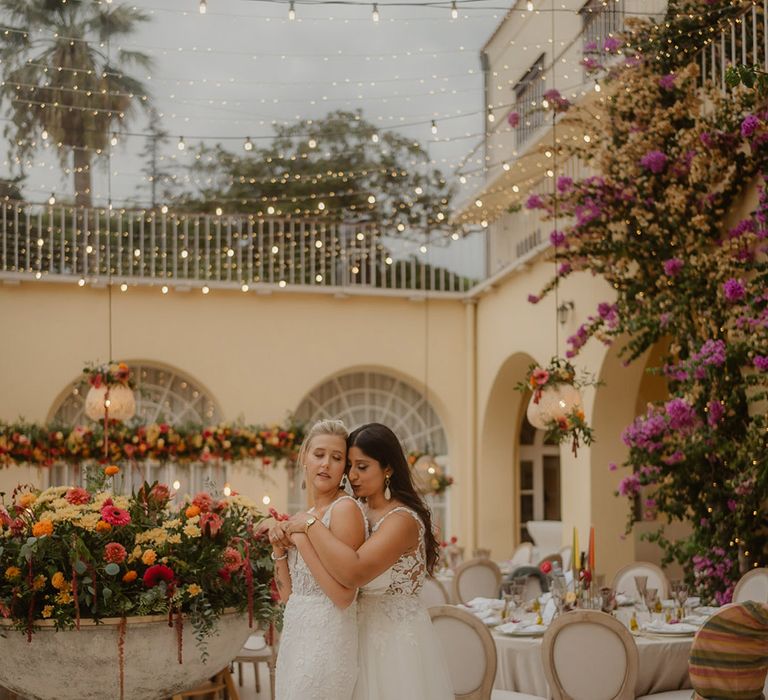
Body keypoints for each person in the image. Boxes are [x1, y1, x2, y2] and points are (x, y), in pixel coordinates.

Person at [281, 422, 453, 700]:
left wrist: (309, 525)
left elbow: (355, 572)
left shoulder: (402, 520)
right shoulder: (356, 510)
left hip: (393, 646)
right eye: (349, 466)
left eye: (362, 467)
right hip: (351, 637)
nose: (352, 475)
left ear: (388, 469)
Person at [270, 419, 367, 700]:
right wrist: (278, 550)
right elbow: (290, 596)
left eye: (336, 458)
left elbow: (343, 596)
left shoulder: (344, 509)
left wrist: (301, 536)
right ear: (305, 458)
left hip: (328, 640)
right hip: (296, 636)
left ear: (344, 470)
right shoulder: (308, 514)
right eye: (319, 454)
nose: (325, 464)